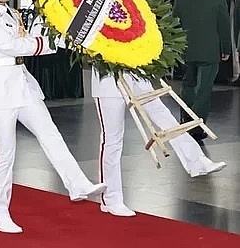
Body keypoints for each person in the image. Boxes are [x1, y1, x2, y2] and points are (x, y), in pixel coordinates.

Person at [0, 0, 105, 234]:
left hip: (22, 85)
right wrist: (47, 42)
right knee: (4, 155)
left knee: (50, 134)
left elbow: (27, 38)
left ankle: (77, 184)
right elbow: (13, 46)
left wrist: (52, 27)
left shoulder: (12, 14)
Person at [92, 70, 227, 217]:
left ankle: (196, 160)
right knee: (112, 139)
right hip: (107, 81)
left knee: (162, 114)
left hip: (136, 72)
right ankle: (111, 199)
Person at [173, 0, 231, 142]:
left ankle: (186, 119)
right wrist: (226, 49)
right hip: (210, 51)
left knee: (187, 85)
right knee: (204, 88)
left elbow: (174, 24)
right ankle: (197, 126)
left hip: (186, 50)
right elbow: (224, 26)